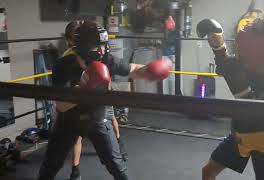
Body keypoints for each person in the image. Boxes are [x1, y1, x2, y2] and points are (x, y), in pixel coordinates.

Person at [38, 21, 172, 180]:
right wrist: (84, 87)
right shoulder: (63, 66)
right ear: (83, 47)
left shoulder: (106, 60)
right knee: (49, 167)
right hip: (69, 119)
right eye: (97, 46)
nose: (102, 50)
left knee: (117, 166)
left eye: (104, 45)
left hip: (97, 116)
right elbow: (61, 105)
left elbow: (133, 69)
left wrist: (149, 71)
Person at [197, 15, 264, 180]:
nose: (242, 56)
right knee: (207, 172)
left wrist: (244, 93)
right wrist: (218, 46)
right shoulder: (243, 67)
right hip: (241, 136)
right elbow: (224, 63)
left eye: (247, 51)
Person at [62, 20, 127, 180]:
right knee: (76, 137)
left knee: (110, 118)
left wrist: (106, 87)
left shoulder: (100, 54)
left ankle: (119, 145)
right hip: (78, 102)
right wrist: (83, 87)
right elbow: (63, 96)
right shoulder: (66, 60)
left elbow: (108, 72)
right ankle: (75, 171)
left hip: (100, 98)